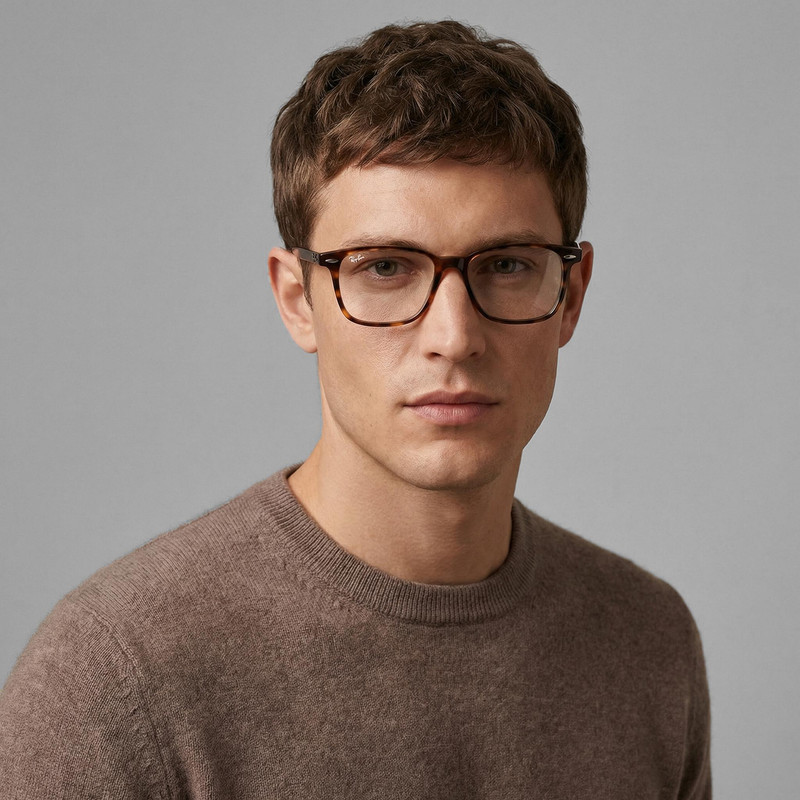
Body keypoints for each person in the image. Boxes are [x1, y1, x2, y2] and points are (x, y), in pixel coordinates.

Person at [0, 20, 711, 798]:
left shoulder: (649, 642)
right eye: (385, 268)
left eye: (508, 265)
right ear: (296, 299)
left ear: (570, 297)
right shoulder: (114, 678)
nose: (454, 337)